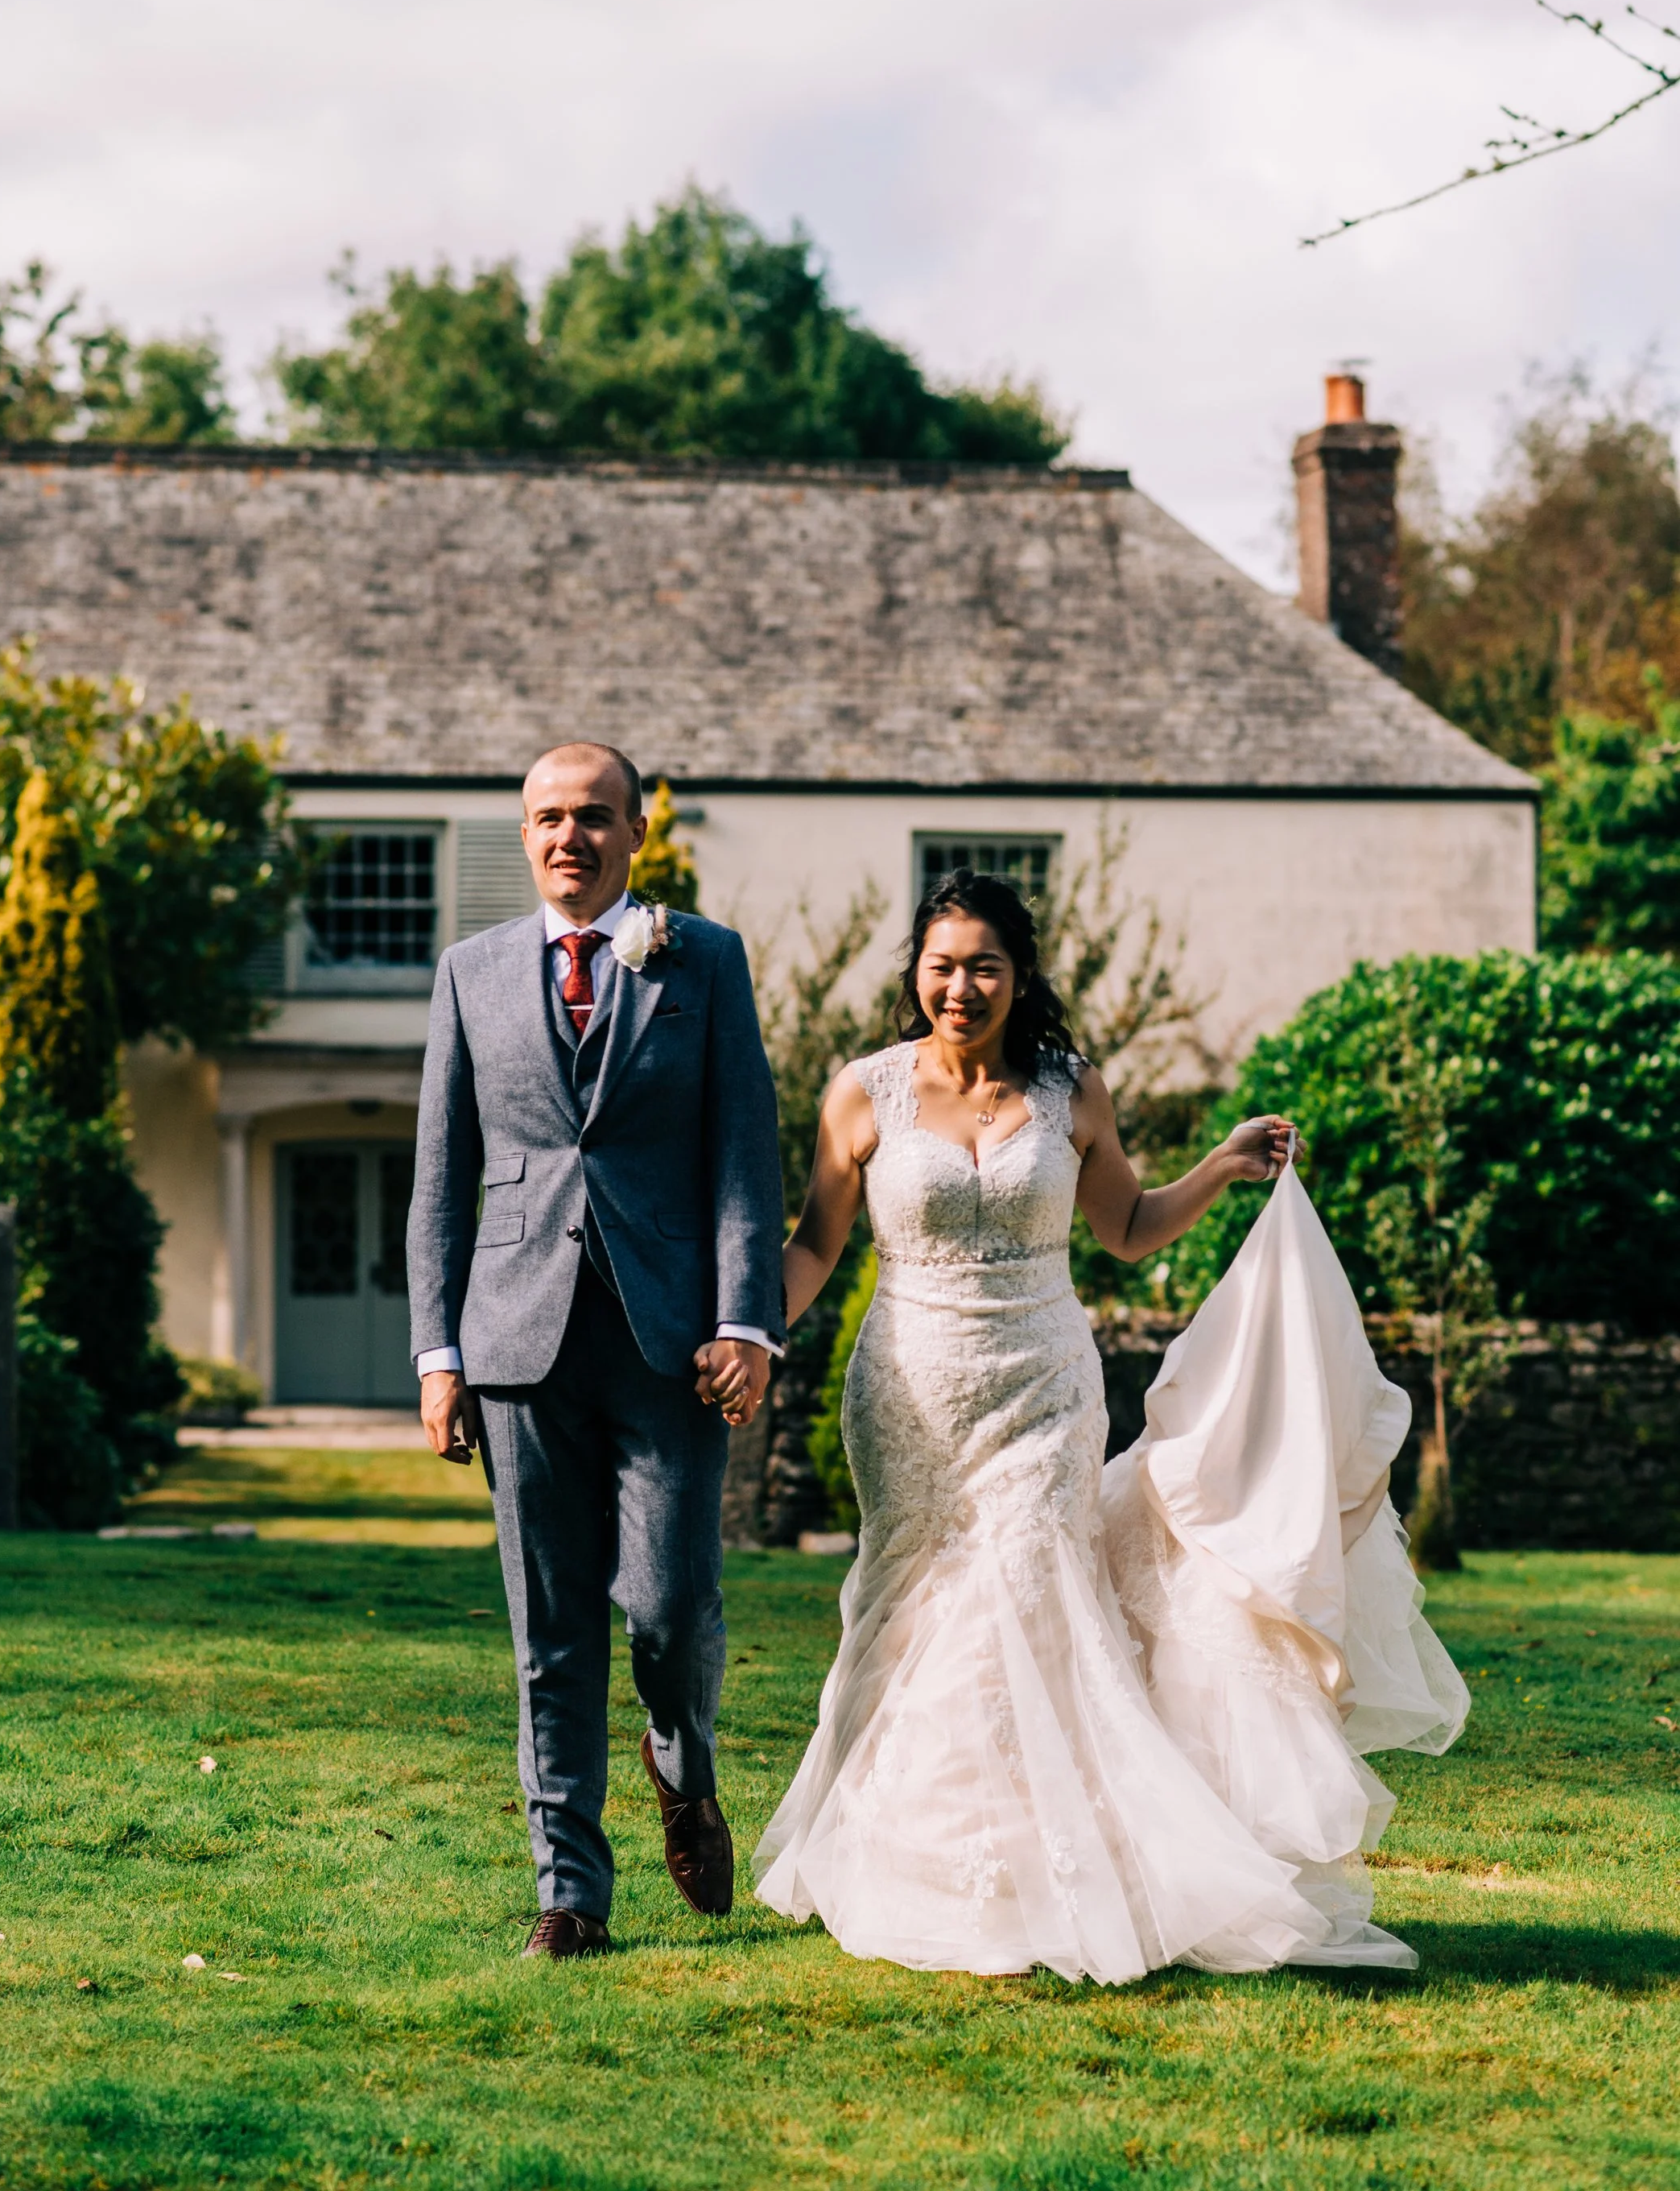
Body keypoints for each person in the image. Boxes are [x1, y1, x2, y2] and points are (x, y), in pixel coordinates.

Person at [753, 870, 1467, 1983]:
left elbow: (1127, 1228)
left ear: (1021, 975)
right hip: (910, 1394)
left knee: (1030, 1594)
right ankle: (905, 1852)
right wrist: (745, 1328)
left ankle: (1044, 1869)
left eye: (984, 965)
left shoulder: (1071, 1091)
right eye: (941, 965)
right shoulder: (864, 1093)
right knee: (910, 1606)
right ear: (915, 975)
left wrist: (1222, 1169)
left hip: (1045, 1385)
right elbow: (812, 1247)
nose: (961, 986)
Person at [407, 741, 785, 1961]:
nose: (569, 837)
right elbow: (440, 1181)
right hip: (517, 1342)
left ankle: (681, 1758)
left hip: (668, 1339)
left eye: (594, 818)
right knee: (550, 1631)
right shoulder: (468, 974)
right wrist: (437, 1351)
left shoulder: (705, 960)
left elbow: (743, 1151)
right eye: (547, 819)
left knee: (670, 1610)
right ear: (525, 837)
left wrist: (744, 1321)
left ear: (635, 834)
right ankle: (571, 1896)